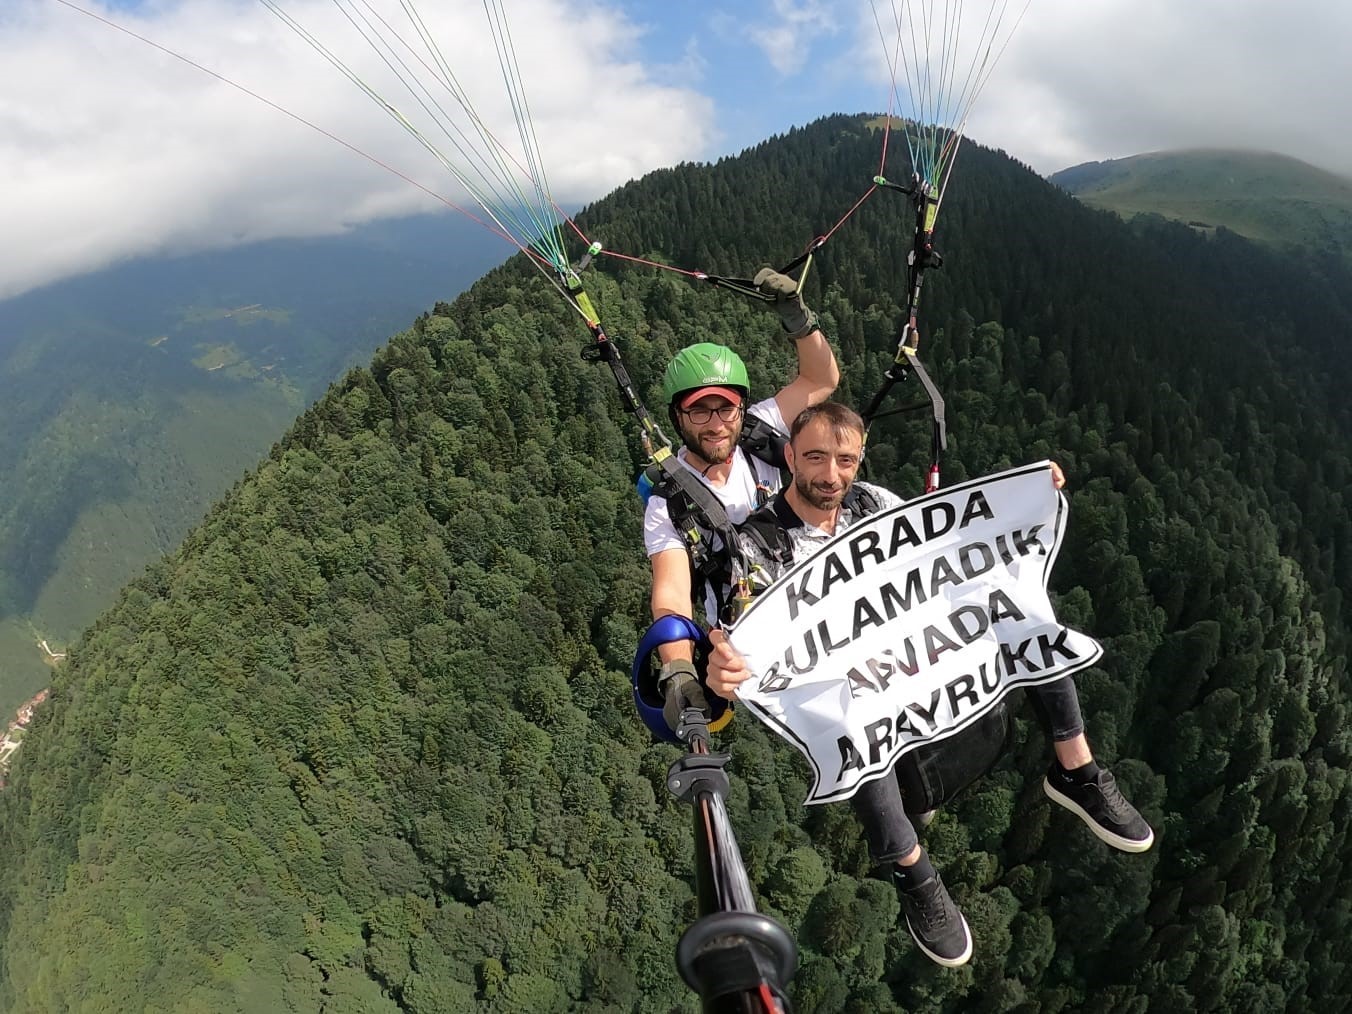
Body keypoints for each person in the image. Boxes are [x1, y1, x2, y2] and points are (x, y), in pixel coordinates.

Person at [702, 401, 1155, 968]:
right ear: (790, 457)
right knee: (849, 720)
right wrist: (723, 671)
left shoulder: (874, 504)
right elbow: (739, 646)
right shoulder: (756, 546)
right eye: (815, 458)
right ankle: (912, 870)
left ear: (860, 459)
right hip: (856, 689)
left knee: (1013, 601)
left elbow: (955, 549)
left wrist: (1028, 495)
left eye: (845, 460)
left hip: (916, 660)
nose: (830, 475)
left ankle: (1076, 768)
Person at [643, 269, 839, 727]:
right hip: (752, 638)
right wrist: (678, 669)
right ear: (677, 416)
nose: (716, 424)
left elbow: (821, 377)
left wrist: (797, 318)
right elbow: (672, 595)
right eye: (699, 411)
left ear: (741, 408)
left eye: (726, 408)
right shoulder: (668, 504)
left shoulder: (759, 430)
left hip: (819, 599)